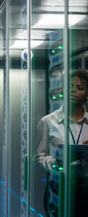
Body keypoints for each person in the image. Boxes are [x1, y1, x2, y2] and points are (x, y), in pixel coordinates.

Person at [35, 69, 88, 217]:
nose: (72, 91)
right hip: (59, 186)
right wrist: (57, 162)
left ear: (87, 95)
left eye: (79, 88)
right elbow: (39, 157)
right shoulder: (48, 122)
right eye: (69, 86)